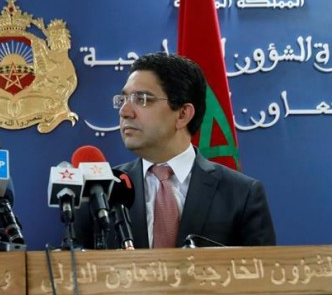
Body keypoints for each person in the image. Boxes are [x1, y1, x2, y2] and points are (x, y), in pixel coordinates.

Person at [75, 52, 276, 249]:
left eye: (142, 99)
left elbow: (263, 276)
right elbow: (72, 274)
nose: (124, 112)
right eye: (123, 99)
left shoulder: (242, 194)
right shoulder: (99, 191)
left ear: (182, 114)